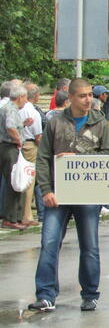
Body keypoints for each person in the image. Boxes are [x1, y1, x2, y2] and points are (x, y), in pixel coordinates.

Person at [30, 78, 109, 312]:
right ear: (71, 98)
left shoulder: (100, 123)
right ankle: (46, 294)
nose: (88, 99)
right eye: (83, 96)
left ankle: (90, 294)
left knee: (89, 246)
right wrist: (46, 190)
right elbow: (44, 158)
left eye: (90, 95)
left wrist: (79, 160)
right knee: (49, 243)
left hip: (88, 195)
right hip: (57, 195)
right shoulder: (55, 122)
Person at [0, 84, 30, 230]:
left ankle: (16, 217)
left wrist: (23, 125)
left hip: (8, 147)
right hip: (9, 148)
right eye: (25, 98)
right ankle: (10, 218)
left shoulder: (10, 108)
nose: (26, 101)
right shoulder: (11, 109)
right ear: (20, 97)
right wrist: (18, 140)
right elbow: (10, 127)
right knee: (14, 182)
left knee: (18, 181)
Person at [19, 83, 43, 227]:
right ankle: (27, 215)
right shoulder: (33, 112)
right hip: (30, 146)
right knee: (29, 181)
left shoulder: (18, 109)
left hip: (19, 145)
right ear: (37, 96)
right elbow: (38, 136)